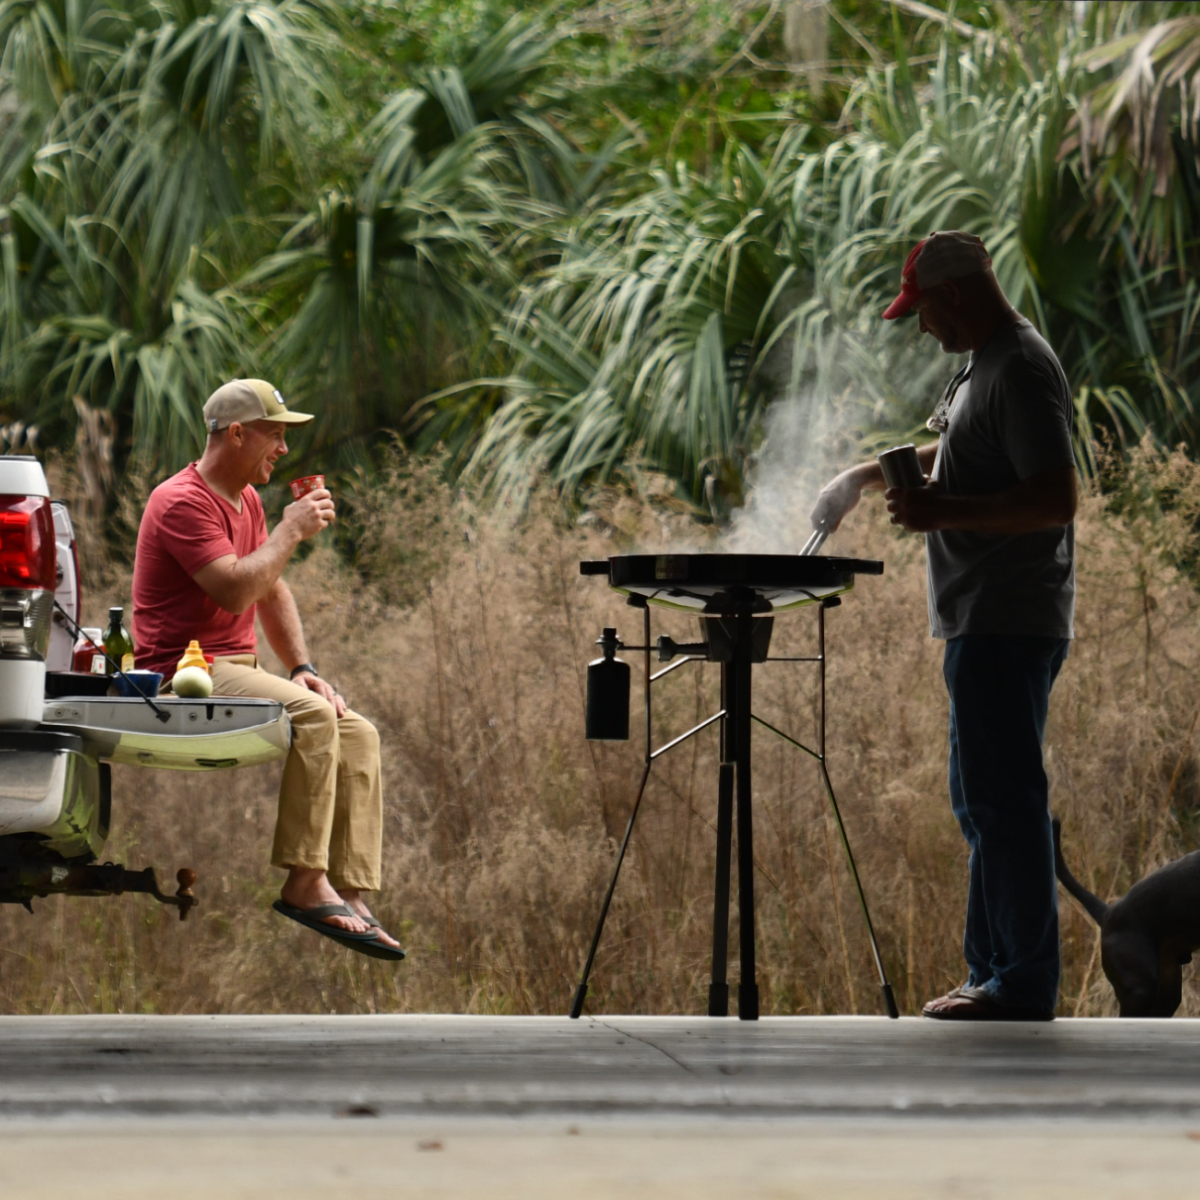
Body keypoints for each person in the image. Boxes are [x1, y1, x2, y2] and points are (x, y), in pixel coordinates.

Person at [812, 232, 1076, 1021]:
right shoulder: (985, 366)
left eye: (922, 313)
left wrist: (938, 514)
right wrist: (865, 476)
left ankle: (1021, 983)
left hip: (1007, 616)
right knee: (981, 801)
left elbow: (1054, 498)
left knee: (1005, 802)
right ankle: (990, 969)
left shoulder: (1022, 368)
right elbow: (970, 448)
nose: (922, 328)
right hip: (978, 618)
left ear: (954, 295)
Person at [131, 379, 404, 960]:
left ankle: (348, 890)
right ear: (236, 434)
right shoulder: (180, 500)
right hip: (183, 671)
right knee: (310, 716)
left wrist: (301, 665)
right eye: (275, 435)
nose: (282, 449)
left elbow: (269, 587)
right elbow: (234, 592)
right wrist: (290, 531)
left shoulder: (248, 500)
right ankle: (304, 881)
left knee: (355, 728)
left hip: (238, 665)